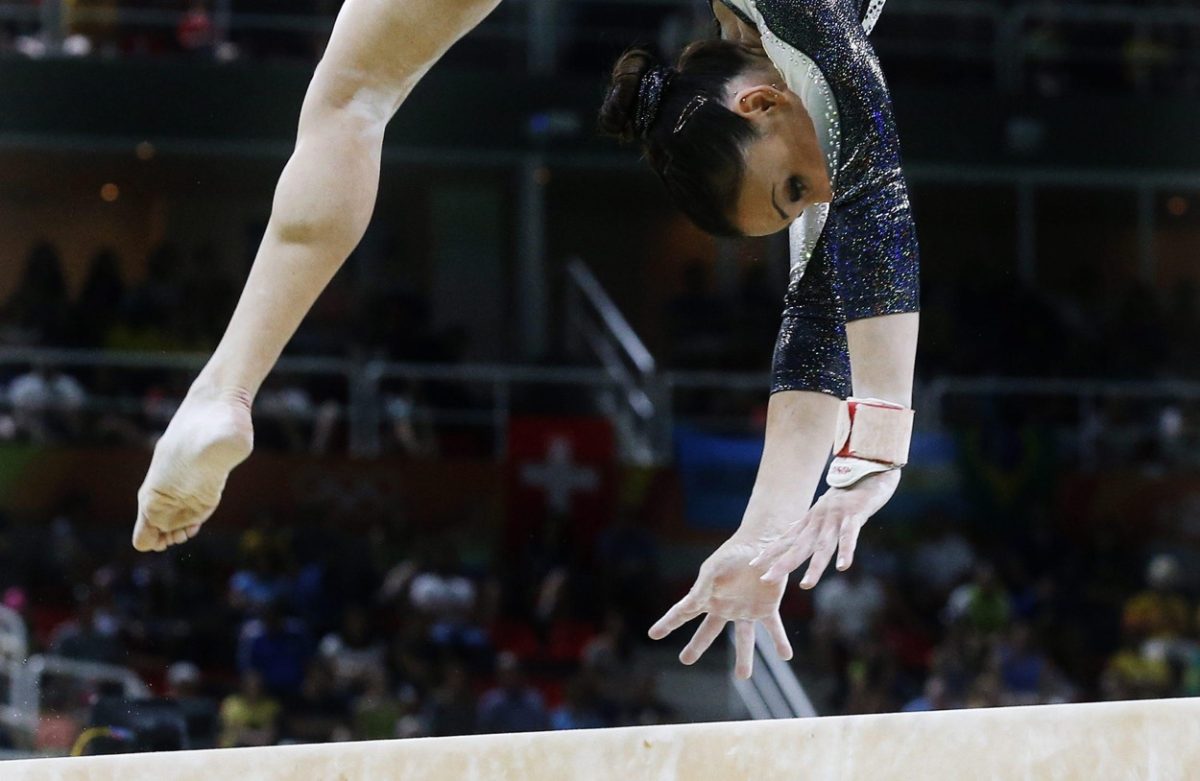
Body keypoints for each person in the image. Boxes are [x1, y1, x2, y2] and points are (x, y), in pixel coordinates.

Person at [133, 0, 916, 682]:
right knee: (355, 97)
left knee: (355, 98)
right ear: (759, 103)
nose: (822, 195)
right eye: (794, 190)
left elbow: (819, 308)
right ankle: (219, 395)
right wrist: (873, 454)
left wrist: (766, 529)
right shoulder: (816, 40)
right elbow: (875, 198)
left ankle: (225, 388)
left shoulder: (806, 74)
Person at [610, 0, 919, 678]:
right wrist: (764, 534)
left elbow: (876, 195)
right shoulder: (798, 60)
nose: (821, 195)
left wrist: (875, 451)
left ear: (759, 105)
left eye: (795, 187)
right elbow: (815, 318)